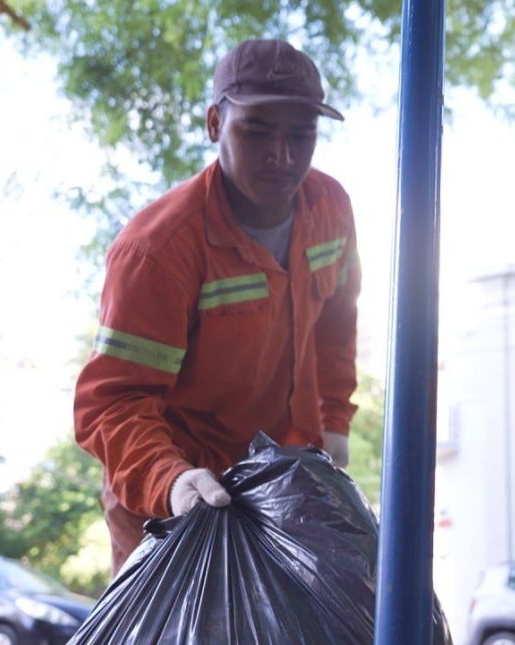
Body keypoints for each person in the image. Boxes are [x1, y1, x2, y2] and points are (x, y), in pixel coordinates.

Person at [74, 39, 361, 573]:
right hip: (173, 507)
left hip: (281, 493)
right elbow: (111, 405)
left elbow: (337, 323)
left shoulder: (331, 209)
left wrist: (335, 419)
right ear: (214, 124)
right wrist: (171, 481)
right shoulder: (158, 252)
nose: (281, 155)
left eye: (301, 134)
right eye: (257, 131)